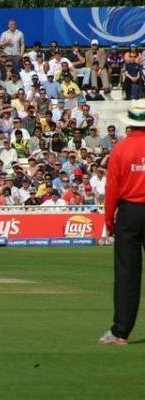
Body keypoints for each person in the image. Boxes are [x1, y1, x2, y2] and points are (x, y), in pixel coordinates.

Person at [100, 100, 145, 345]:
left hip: (129, 211)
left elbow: (112, 187)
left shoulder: (121, 148)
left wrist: (109, 220)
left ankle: (120, 333)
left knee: (127, 273)